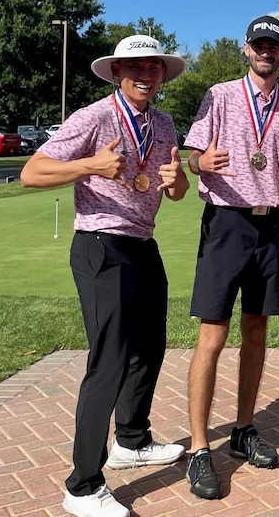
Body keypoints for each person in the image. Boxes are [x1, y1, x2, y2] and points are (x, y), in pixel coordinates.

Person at [20, 34, 190, 517]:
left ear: (162, 75)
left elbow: (170, 190)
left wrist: (178, 185)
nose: (144, 73)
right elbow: (32, 172)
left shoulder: (162, 121)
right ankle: (82, 485)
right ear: (116, 73)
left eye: (154, 66)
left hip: (142, 244)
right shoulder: (94, 117)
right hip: (100, 245)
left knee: (150, 347)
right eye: (134, 66)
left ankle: (131, 441)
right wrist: (90, 165)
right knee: (109, 359)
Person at [180, 16, 279, 500]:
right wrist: (200, 163)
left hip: (268, 226)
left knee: (257, 329)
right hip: (225, 222)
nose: (266, 52)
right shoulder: (219, 95)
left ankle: (242, 429)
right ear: (246, 49)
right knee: (213, 333)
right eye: (259, 45)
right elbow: (190, 153)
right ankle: (199, 448)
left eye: (273, 46)